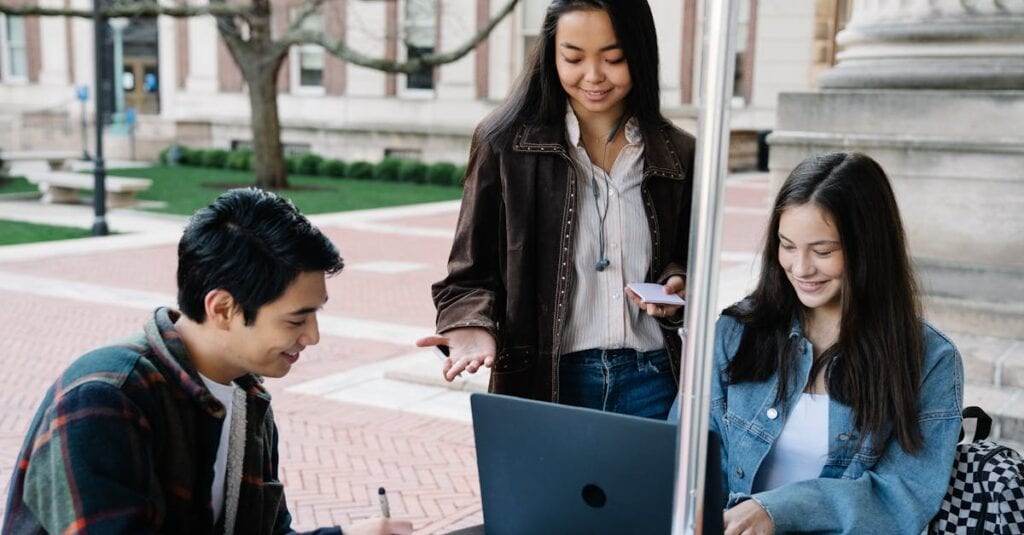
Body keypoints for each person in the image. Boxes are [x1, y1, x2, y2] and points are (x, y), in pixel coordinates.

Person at [3, 189, 413, 535]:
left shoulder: (247, 396)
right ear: (222, 308)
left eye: (315, 314)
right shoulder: (105, 399)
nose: (312, 336)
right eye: (296, 318)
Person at [416, 0, 695, 419]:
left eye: (613, 58)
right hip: (545, 381)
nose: (593, 76)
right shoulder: (504, 143)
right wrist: (470, 324)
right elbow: (468, 274)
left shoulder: (680, 153)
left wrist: (678, 282)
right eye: (573, 57)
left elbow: (688, 261)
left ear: (640, 52)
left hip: (655, 379)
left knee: (647, 488)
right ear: (551, 55)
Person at [680, 152, 963, 534]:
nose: (800, 267)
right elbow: (684, 453)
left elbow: (906, 493)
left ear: (868, 248)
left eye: (823, 251)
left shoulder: (929, 359)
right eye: (787, 245)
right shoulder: (736, 331)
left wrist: (777, 511)